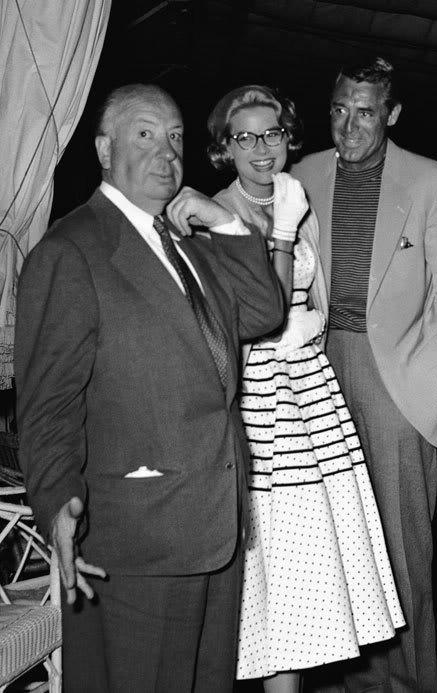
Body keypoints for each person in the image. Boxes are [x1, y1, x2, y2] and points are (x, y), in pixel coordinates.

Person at [14, 83, 285, 693]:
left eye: (176, 137)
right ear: (105, 150)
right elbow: (48, 404)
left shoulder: (188, 244)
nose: (166, 151)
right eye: (145, 134)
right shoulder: (71, 250)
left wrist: (229, 223)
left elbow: (264, 311)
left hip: (215, 523)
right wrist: (57, 501)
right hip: (136, 536)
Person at [207, 84, 405, 693]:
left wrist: (315, 327)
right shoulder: (217, 213)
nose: (261, 147)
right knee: (266, 561)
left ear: (288, 138)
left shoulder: (298, 198)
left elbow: (318, 290)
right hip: (257, 395)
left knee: (305, 566)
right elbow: (234, 317)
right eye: (245, 137)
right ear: (225, 148)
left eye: (272, 133)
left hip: (311, 388)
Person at [291, 57, 437, 692]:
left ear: (391, 115)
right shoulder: (302, 176)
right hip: (316, 363)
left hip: (395, 374)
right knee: (336, 542)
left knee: (401, 542)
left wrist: (434, 362)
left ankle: (410, 685)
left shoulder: (432, 181)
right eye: (340, 110)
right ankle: (349, 681)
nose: (349, 127)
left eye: (365, 112)